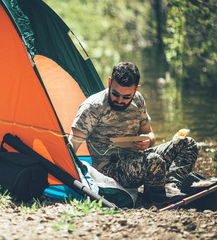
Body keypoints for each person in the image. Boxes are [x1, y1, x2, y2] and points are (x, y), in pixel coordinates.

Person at [69, 62, 199, 202]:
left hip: (137, 159)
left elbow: (150, 134)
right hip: (108, 171)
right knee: (154, 161)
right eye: (115, 94)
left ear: (136, 89)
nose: (120, 100)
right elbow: (71, 147)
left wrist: (147, 141)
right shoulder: (92, 107)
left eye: (126, 97)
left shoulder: (138, 100)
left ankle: (171, 186)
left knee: (187, 143)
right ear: (109, 82)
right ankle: (155, 198)